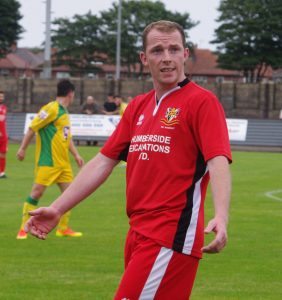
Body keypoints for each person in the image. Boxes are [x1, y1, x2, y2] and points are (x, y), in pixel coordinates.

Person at [25, 21, 232, 299]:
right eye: (158, 50)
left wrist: (221, 215)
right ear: (144, 59)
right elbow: (103, 161)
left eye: (174, 49)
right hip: (137, 233)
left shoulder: (201, 102)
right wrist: (58, 208)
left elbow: (217, 160)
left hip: (170, 236)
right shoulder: (138, 107)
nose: (167, 57)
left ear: (185, 54)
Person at [16, 79, 84, 240]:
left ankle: (63, 228)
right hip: (48, 161)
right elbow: (33, 127)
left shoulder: (64, 112)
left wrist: (76, 155)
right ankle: (23, 228)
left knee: (69, 195)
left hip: (63, 164)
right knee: (36, 193)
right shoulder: (51, 108)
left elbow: (67, 137)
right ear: (70, 93)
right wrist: (22, 148)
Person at [0, 90, 8, 179]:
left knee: (3, 153)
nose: (1, 98)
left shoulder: (4, 108)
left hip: (3, 136)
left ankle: (2, 172)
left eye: (2, 96)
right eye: (0, 96)